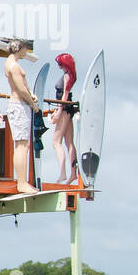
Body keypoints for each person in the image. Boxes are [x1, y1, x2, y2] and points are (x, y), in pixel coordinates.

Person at [3, 40, 41, 194]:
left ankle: (23, 181)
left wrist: (31, 94)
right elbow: (20, 89)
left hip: (19, 104)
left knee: (22, 144)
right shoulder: (14, 66)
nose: (27, 52)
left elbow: (23, 87)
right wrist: (32, 104)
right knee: (22, 145)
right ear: (20, 48)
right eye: (26, 49)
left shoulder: (11, 64)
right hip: (19, 105)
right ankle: (22, 182)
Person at [49, 53, 78, 183]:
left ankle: (63, 173)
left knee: (56, 142)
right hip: (68, 109)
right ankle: (73, 173)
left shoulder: (66, 76)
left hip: (64, 108)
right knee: (69, 142)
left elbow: (64, 95)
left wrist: (58, 111)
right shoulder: (70, 75)